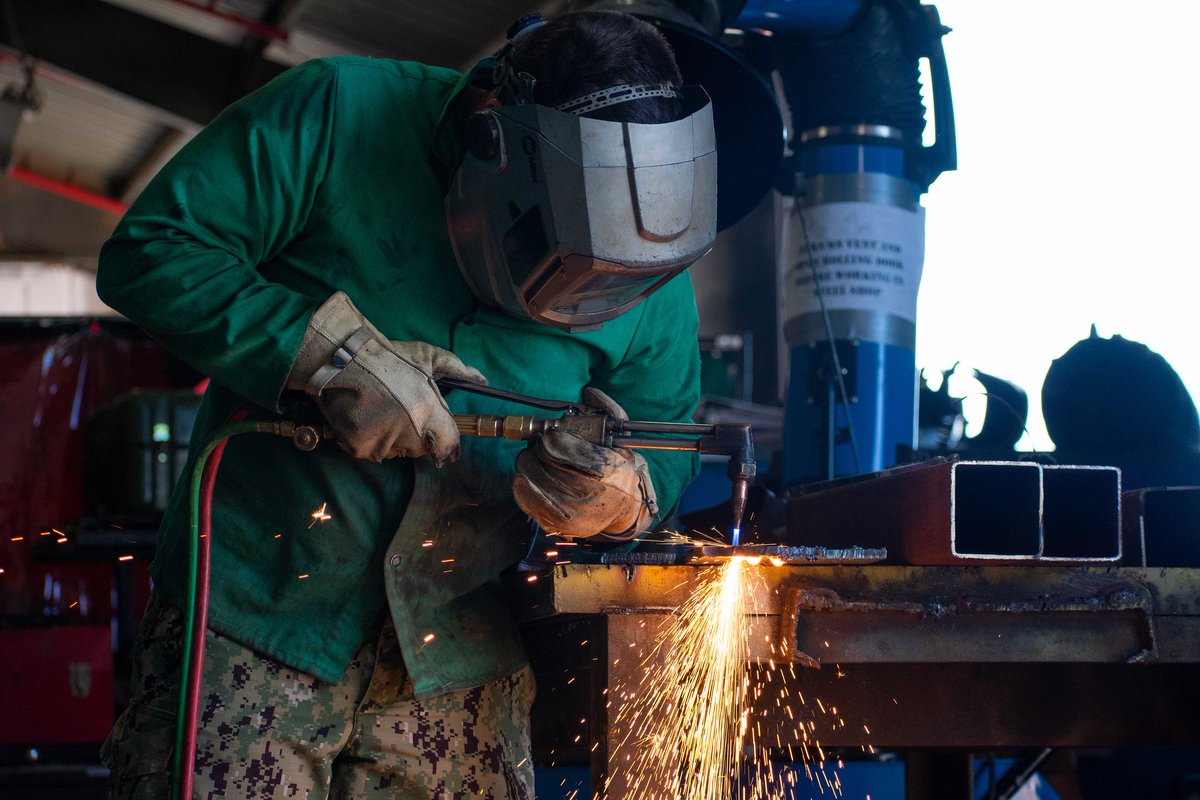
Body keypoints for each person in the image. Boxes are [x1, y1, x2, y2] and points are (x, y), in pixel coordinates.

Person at [96, 9, 716, 799]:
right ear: (493, 136)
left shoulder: (648, 251)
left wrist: (623, 498)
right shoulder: (335, 115)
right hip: (255, 628)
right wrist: (321, 353)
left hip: (463, 654)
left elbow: (669, 440)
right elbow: (153, 251)